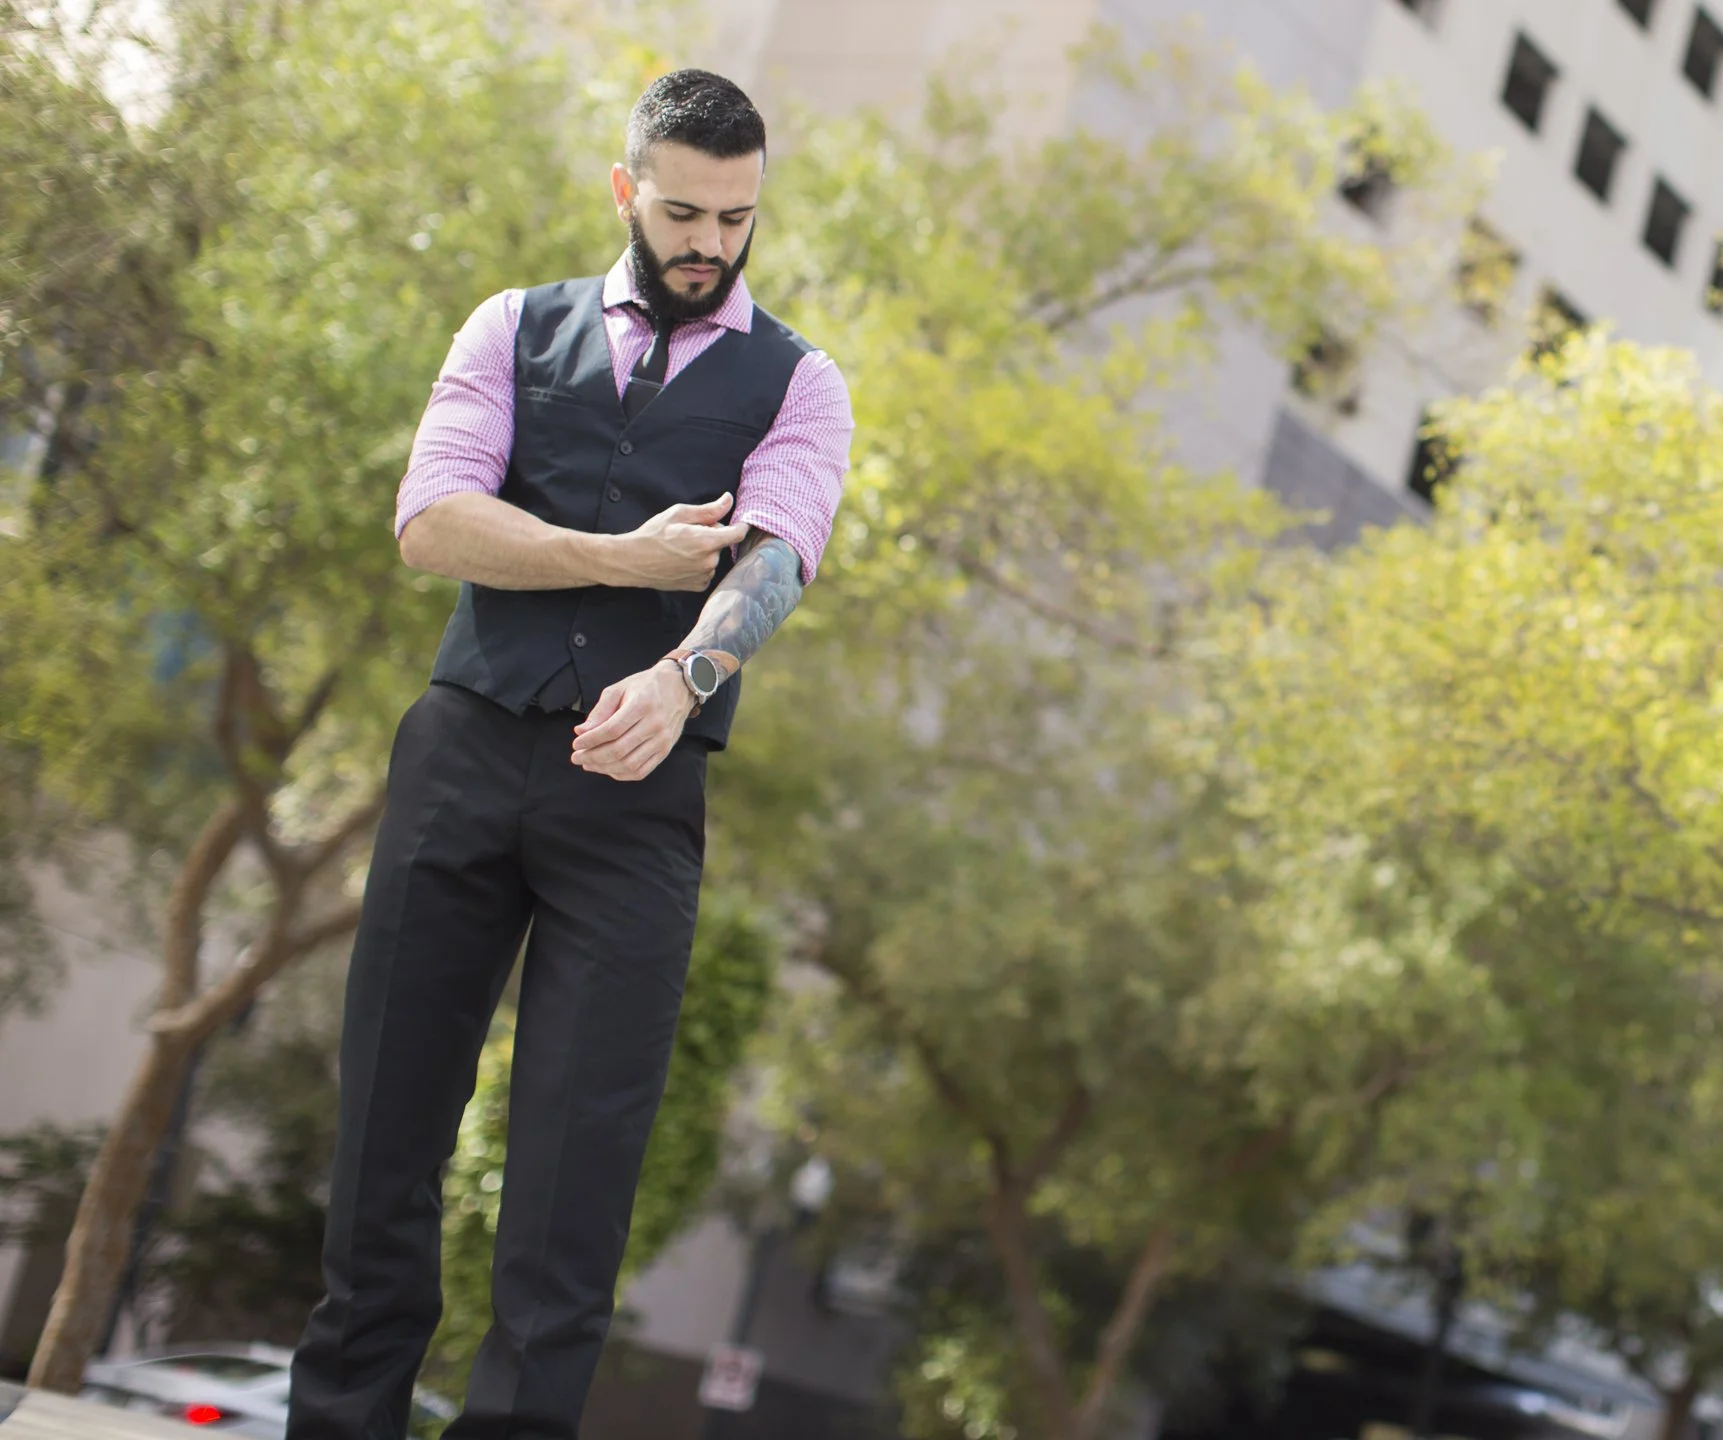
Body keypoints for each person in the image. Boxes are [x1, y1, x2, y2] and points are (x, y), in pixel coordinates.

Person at [286, 68, 853, 1440]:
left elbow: (777, 558)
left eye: (735, 217)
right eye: (681, 213)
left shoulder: (802, 382)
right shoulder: (510, 327)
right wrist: (618, 558)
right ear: (625, 192)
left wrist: (683, 674)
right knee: (382, 1152)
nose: (709, 243)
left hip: (640, 799)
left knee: (570, 1186)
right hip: (464, 753)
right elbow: (432, 521)